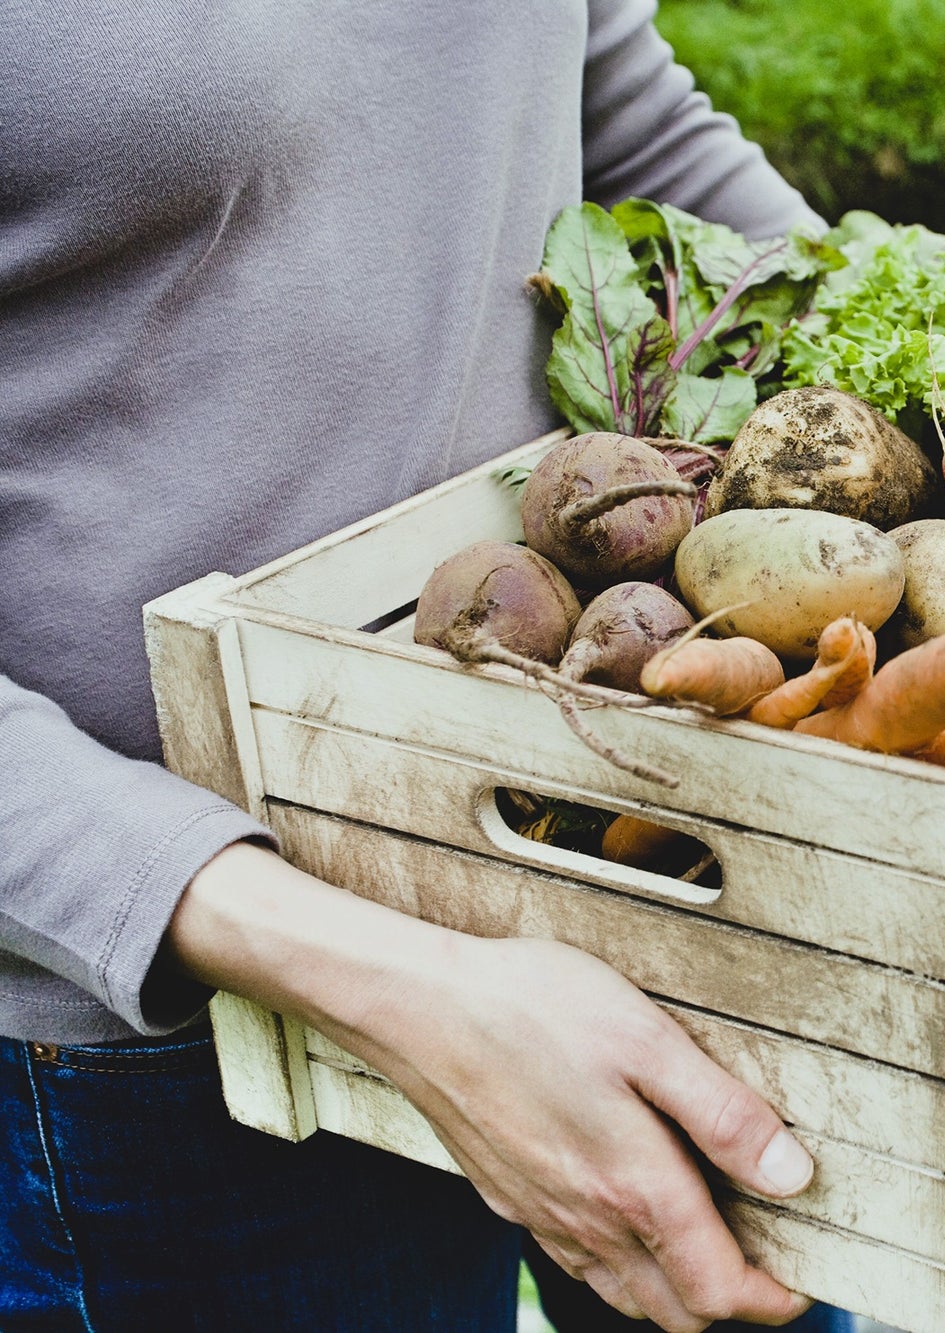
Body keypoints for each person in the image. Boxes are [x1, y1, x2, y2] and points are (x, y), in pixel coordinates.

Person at [0, 2, 849, 1329]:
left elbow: (608, 93)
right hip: (185, 1035)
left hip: (618, 819)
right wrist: (401, 986)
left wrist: (935, 362)